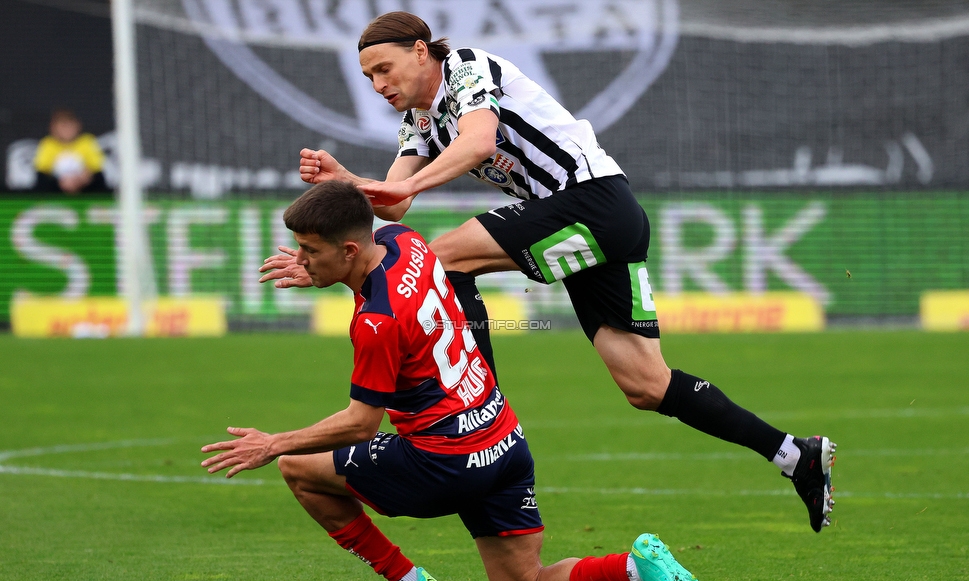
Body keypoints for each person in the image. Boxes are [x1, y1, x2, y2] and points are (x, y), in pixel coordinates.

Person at [261, 11, 836, 533]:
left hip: (593, 204)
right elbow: (392, 206)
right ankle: (793, 454)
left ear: (420, 51)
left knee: (442, 256)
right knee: (646, 385)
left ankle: (476, 414)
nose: (380, 84)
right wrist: (349, 181)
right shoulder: (418, 120)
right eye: (368, 78)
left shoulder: (464, 69)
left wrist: (401, 185)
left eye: (385, 68)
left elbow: (478, 140)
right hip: (590, 224)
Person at [202, 180, 711, 581]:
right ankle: (633, 567)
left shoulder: (376, 325)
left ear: (349, 250)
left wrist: (273, 443)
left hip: (444, 462)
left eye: (309, 251)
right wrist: (321, 274)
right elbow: (382, 282)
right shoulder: (407, 242)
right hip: (504, 442)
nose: (300, 259)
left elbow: (360, 423)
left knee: (296, 466)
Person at [33, 109, 108, 194]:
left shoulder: (87, 141)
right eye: (63, 126)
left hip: (85, 190)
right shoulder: (48, 144)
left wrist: (82, 179)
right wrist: (61, 182)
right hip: (56, 192)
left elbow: (97, 171)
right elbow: (42, 174)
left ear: (78, 126)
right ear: (53, 128)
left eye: (70, 125)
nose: (67, 130)